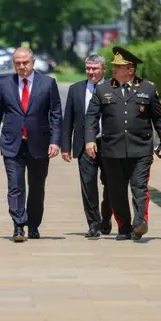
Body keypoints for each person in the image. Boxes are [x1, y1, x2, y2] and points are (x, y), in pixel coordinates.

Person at [85, 46, 161, 241]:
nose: (114, 69)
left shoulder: (147, 88)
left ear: (130, 69)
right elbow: (91, 117)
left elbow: (158, 118)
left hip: (140, 148)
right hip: (112, 149)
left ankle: (140, 221)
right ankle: (124, 226)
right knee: (116, 190)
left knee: (139, 186)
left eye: (118, 66)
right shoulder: (103, 89)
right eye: (114, 66)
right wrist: (90, 140)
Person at [0, 47, 62, 242]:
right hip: (12, 144)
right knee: (15, 186)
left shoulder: (48, 84)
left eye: (25, 63)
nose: (22, 67)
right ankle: (19, 225)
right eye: (18, 63)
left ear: (33, 62)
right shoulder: (5, 85)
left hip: (40, 143)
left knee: (37, 187)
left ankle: (34, 225)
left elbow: (55, 114)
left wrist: (55, 141)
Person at [61, 54, 111, 238]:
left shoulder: (112, 88)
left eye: (95, 68)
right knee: (88, 184)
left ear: (103, 69)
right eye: (88, 68)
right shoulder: (76, 89)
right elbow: (68, 120)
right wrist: (65, 147)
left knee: (111, 185)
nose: (91, 72)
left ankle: (106, 217)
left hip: (109, 144)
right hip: (83, 145)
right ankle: (93, 223)